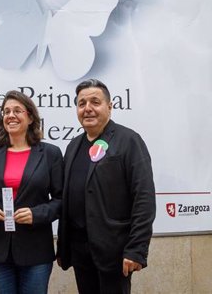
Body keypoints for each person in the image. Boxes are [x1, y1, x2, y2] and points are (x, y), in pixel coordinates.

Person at [57, 79, 156, 294]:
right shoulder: (74, 145)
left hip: (114, 251)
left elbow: (144, 197)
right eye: (82, 103)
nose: (88, 108)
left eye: (95, 102)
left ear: (109, 107)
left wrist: (136, 249)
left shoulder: (129, 140)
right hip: (80, 250)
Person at [0, 90, 63, 294]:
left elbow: (61, 200)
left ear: (30, 117)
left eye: (17, 110)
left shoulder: (50, 153)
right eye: (6, 111)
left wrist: (37, 214)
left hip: (35, 251)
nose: (10, 115)